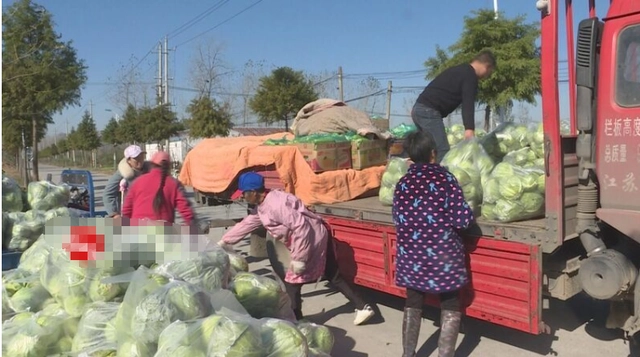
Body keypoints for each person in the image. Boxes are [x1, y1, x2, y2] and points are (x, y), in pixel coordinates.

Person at [217, 172, 376, 326]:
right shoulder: (264, 204)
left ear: (252, 192)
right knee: (333, 275)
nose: (242, 197)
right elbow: (249, 223)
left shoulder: (276, 205)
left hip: (312, 238)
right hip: (314, 235)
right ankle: (363, 307)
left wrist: (300, 258)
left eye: (243, 194)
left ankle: (296, 321)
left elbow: (301, 228)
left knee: (293, 282)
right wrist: (225, 241)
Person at [392, 131, 475, 357]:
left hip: (412, 255)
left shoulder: (403, 183)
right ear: (433, 154)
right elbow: (461, 219)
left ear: (410, 156)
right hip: (443, 255)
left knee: (413, 302)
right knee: (449, 303)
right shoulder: (445, 179)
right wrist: (471, 211)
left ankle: (408, 354)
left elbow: (397, 219)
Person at [412, 50, 496, 162]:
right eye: (489, 72)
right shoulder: (470, 76)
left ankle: (422, 177)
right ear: (487, 66)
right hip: (428, 111)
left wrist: (416, 110)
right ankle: (442, 179)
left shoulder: (460, 70)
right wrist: (469, 129)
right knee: (442, 150)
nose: (487, 76)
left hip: (420, 109)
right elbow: (468, 102)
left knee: (426, 151)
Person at [121, 151, 195, 226]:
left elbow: (127, 209)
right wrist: (193, 226)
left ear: (151, 165)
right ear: (168, 166)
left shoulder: (137, 182)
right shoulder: (174, 184)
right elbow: (186, 210)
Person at [103, 145, 148, 218]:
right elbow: (108, 194)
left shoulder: (149, 172)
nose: (140, 160)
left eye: (141, 156)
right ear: (128, 160)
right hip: (127, 216)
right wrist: (114, 214)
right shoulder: (123, 173)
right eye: (136, 158)